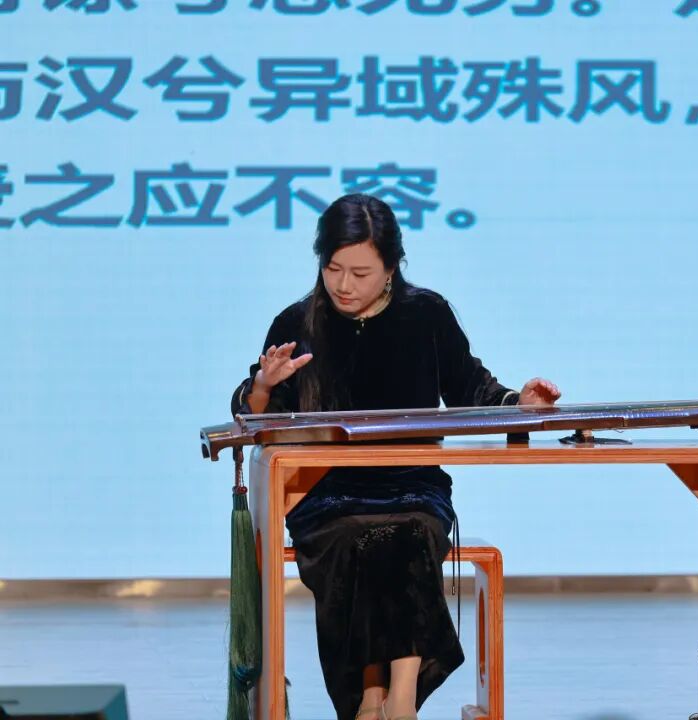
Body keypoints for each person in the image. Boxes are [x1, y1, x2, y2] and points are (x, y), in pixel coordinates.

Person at [230, 193, 560, 720]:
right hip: (325, 494)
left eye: (360, 272)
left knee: (408, 532)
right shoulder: (296, 323)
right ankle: (373, 695)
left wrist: (519, 405)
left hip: (412, 487)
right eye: (333, 268)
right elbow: (253, 416)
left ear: (391, 268)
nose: (343, 284)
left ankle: (395, 697)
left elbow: (471, 387)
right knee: (359, 538)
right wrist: (265, 387)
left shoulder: (426, 314)